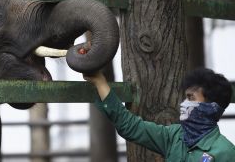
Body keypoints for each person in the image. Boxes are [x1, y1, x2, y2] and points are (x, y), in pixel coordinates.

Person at [84, 68, 235, 162]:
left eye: (191, 98)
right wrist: (100, 82)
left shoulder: (225, 152)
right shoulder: (174, 136)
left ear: (211, 108)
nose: (183, 104)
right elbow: (130, 126)